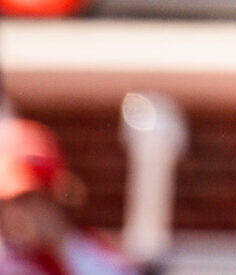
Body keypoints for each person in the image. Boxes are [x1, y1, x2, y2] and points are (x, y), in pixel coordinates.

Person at [0, 116, 138, 275]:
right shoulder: (6, 258)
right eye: (8, 202)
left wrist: (59, 244)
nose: (18, 214)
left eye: (30, 199)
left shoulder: (86, 250)